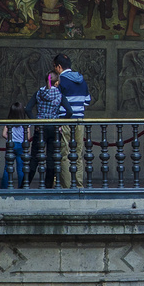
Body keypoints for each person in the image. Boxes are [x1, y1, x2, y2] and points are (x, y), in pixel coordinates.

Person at [52, 54, 91, 188]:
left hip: (65, 121)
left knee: (65, 154)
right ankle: (79, 185)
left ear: (59, 67)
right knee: (78, 154)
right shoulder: (81, 80)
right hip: (79, 120)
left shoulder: (60, 81)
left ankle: (67, 186)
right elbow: (87, 101)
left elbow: (55, 102)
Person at [26, 72, 63, 187]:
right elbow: (70, 111)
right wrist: (61, 121)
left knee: (35, 157)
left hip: (40, 127)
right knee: (51, 158)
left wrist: (35, 121)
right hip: (54, 128)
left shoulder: (39, 93)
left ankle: (25, 184)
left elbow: (28, 109)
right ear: (56, 82)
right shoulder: (59, 94)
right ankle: (48, 186)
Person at [0, 101, 28, 189]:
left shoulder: (9, 122)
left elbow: (4, 134)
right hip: (21, 145)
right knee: (21, 168)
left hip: (11, 145)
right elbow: (28, 136)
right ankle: (21, 187)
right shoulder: (26, 123)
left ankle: (4, 187)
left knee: (7, 168)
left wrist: (10, 139)